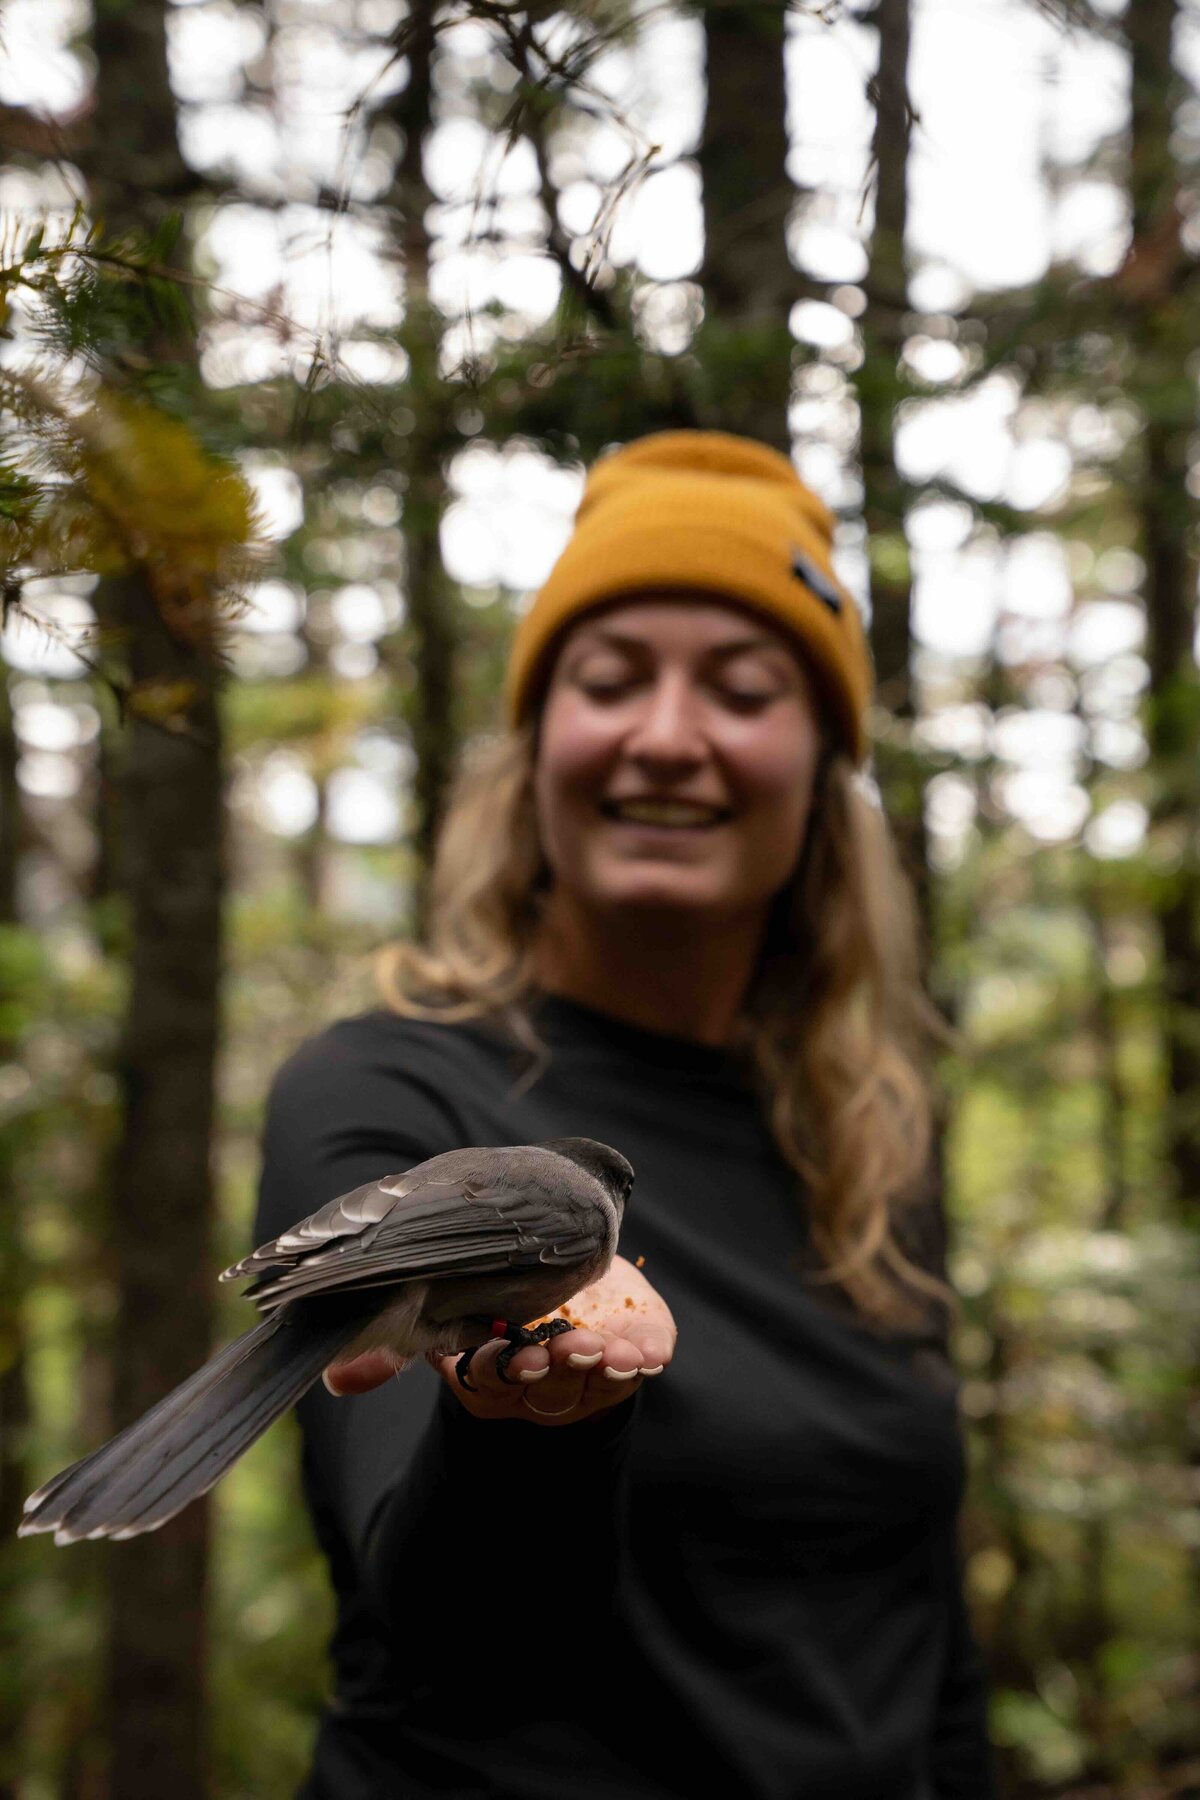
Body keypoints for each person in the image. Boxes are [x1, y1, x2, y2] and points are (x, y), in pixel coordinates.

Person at [255, 429, 997, 1799]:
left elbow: (920, 1636)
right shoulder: (391, 1092)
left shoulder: (868, 1138)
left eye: (744, 687)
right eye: (608, 680)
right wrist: (525, 1423)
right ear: (536, 750)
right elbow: (432, 1618)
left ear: (825, 772)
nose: (668, 736)